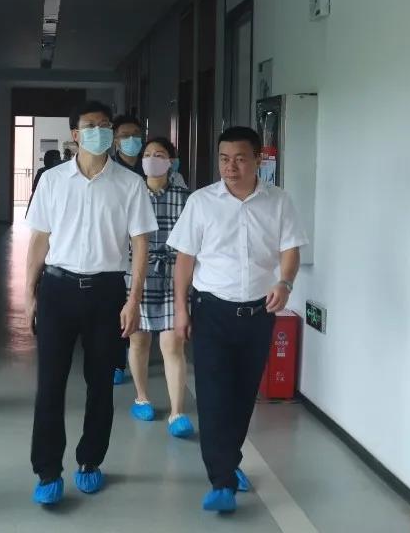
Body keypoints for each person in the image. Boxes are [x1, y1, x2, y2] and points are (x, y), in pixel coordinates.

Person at [167, 126, 308, 514]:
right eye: (224, 159)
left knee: (243, 396)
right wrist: (181, 309)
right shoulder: (201, 202)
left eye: (240, 159)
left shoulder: (279, 201)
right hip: (212, 311)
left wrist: (285, 282)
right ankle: (222, 481)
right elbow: (185, 260)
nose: (230, 167)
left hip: (259, 313)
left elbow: (290, 250)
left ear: (258, 160)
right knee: (214, 397)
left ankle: (228, 460)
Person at [24, 100, 157, 505]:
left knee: (100, 383)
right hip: (58, 289)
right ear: (75, 134)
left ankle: (90, 460)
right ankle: (48, 470)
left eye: (105, 125)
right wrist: (29, 293)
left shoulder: (130, 184)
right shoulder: (52, 181)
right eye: (90, 126)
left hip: (107, 292)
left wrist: (133, 300)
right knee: (50, 384)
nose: (99, 131)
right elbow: (39, 240)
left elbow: (140, 244)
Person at [125, 137, 194, 438]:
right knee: (139, 341)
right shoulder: (131, 193)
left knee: (173, 344)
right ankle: (142, 398)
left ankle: (177, 411)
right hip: (137, 275)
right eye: (148, 154)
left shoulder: (187, 197)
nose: (153, 159)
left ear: (172, 161)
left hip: (173, 276)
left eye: (160, 154)